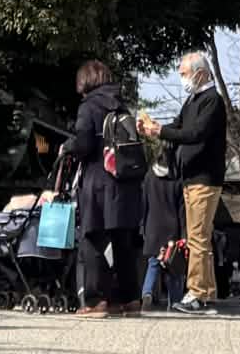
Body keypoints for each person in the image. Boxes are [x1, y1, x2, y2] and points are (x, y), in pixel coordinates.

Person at [141, 51, 229, 313]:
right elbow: (178, 126)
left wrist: (162, 131)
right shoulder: (193, 100)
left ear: (200, 74)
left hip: (205, 177)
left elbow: (195, 133)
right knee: (200, 236)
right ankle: (207, 291)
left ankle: (197, 293)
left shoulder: (212, 101)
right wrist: (154, 128)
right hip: (191, 176)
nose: (182, 79)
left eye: (184, 74)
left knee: (197, 237)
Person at [70, 57, 146, 318]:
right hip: (125, 184)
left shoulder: (89, 106)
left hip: (98, 184)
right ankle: (129, 299)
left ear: (85, 81)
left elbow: (83, 145)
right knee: (123, 243)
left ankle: (95, 301)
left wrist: (68, 146)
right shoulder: (121, 105)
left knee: (92, 239)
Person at [143, 140, 185, 310]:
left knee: (153, 262)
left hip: (153, 225)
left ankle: (147, 292)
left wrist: (143, 226)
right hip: (172, 228)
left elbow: (144, 203)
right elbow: (182, 209)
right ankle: (175, 301)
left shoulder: (149, 176)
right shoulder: (177, 178)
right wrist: (184, 234)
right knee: (174, 266)